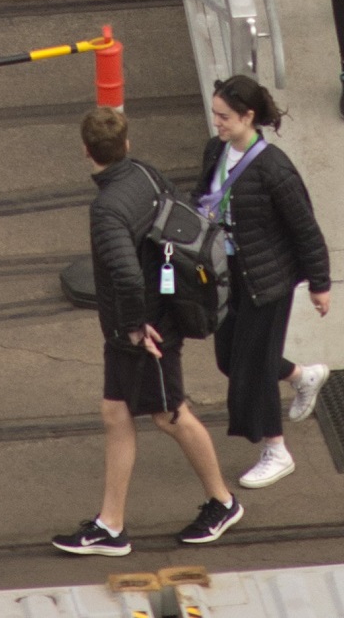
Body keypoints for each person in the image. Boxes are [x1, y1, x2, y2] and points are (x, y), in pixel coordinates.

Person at [52, 105, 243, 555]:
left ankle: (223, 501)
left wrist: (138, 327)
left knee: (170, 414)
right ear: (127, 146)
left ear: (86, 151)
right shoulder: (144, 173)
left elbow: (125, 272)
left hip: (147, 331)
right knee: (115, 413)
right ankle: (110, 525)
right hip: (144, 321)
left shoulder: (107, 208)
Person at [198, 75, 331, 489]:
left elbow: (305, 229)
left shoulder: (274, 168)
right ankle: (300, 376)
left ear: (247, 116)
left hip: (266, 280)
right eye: (215, 114)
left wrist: (319, 284)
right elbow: (203, 196)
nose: (216, 122)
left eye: (224, 116)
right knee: (229, 360)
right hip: (227, 275)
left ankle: (276, 450)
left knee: (252, 366)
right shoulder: (216, 150)